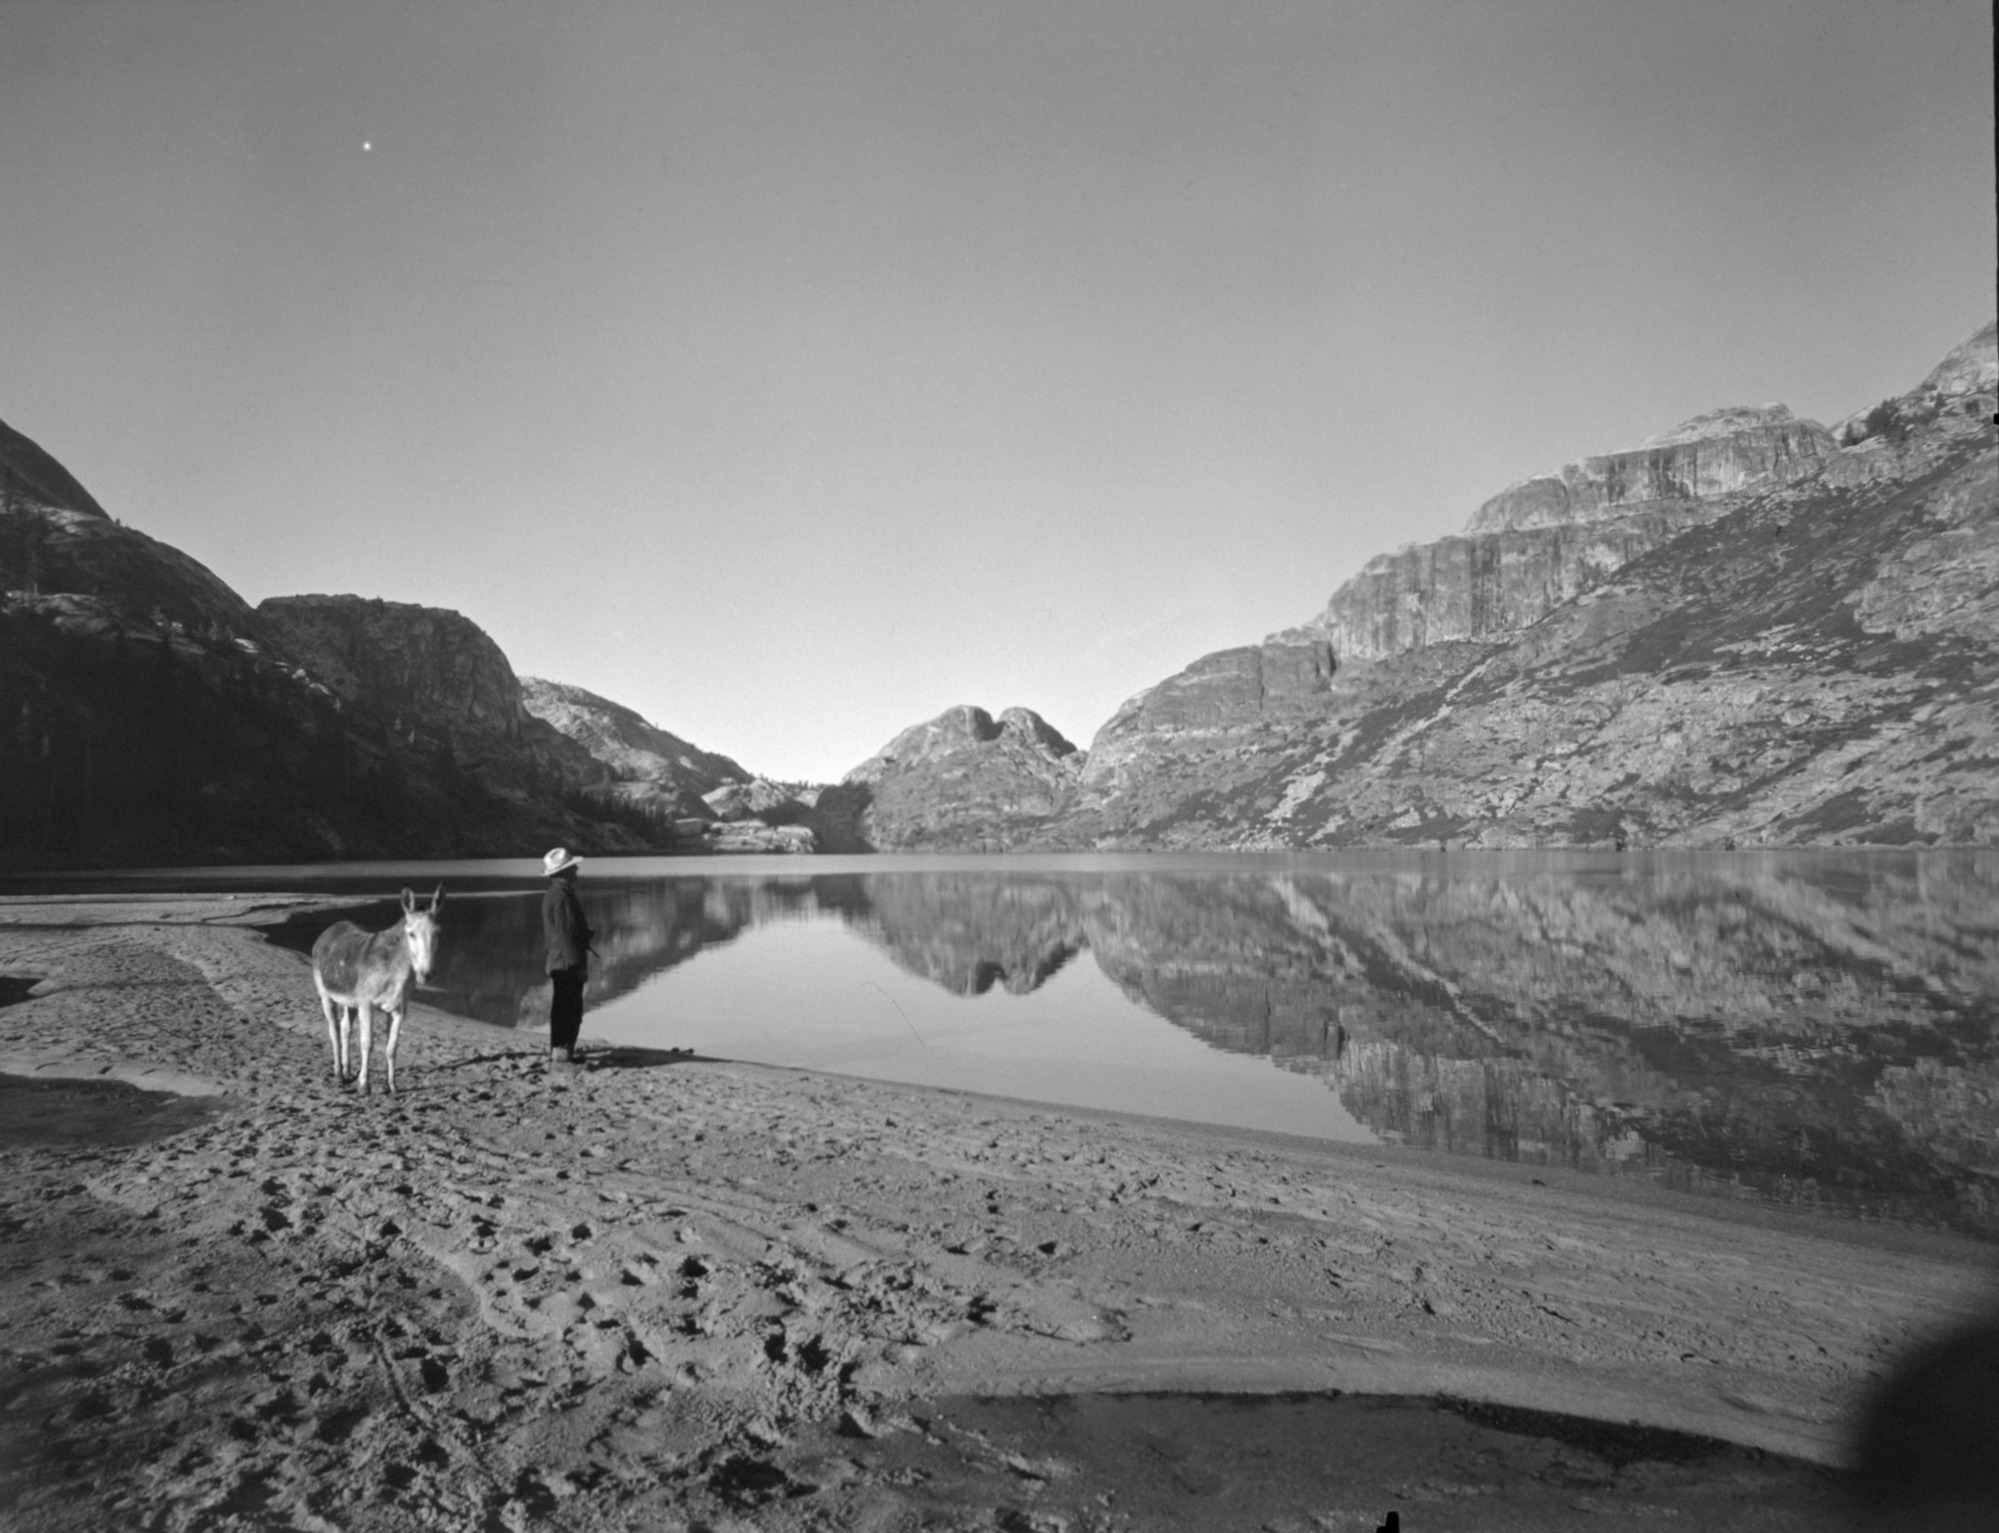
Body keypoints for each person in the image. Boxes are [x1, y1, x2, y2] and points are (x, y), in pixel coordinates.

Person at [541, 847, 594, 1065]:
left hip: (560, 962)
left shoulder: (557, 894)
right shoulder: (562, 897)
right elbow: (565, 934)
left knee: (563, 1009)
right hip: (567, 964)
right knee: (569, 1011)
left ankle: (559, 1053)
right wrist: (577, 966)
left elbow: (564, 931)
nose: (577, 870)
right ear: (564, 872)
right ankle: (562, 1054)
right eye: (572, 867)